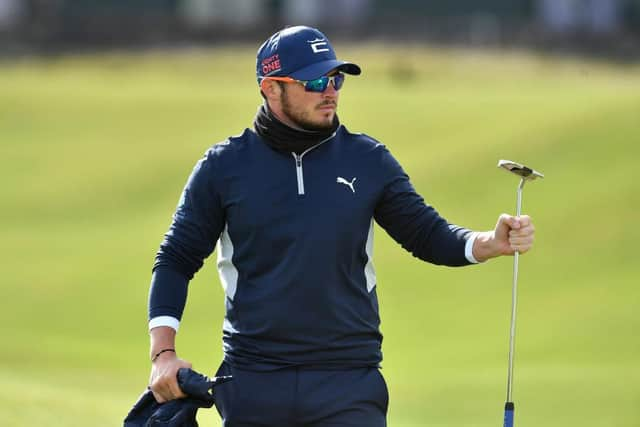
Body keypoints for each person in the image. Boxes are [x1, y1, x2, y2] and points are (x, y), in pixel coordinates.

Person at [146, 26, 535, 426]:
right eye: (314, 81)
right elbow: (176, 258)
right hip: (253, 380)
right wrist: (163, 355)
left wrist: (488, 242)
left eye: (336, 79)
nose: (329, 91)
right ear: (270, 88)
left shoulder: (367, 160)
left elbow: (426, 234)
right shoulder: (224, 167)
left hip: (348, 380)